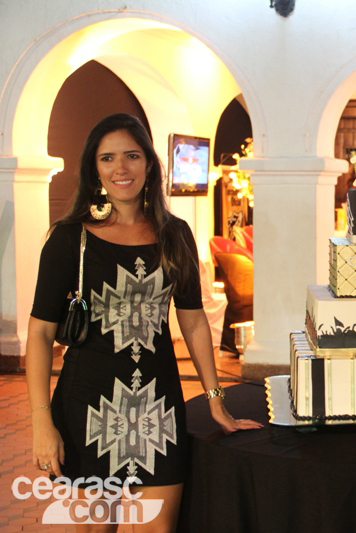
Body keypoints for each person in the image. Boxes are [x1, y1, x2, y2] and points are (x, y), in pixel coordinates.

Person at [26, 113, 262, 532]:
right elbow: (41, 334)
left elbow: (192, 322)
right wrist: (42, 422)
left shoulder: (176, 234)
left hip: (159, 408)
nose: (121, 168)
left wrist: (214, 399)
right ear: (94, 169)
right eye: (108, 158)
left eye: (132, 156)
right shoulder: (69, 238)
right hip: (87, 408)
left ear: (149, 164)